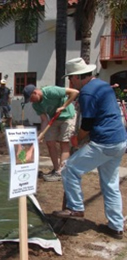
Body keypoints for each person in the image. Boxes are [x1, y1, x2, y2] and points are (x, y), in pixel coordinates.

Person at [52, 57, 127, 239]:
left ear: (78, 77)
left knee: (69, 168)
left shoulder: (87, 93)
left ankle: (76, 207)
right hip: (120, 141)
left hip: (104, 142)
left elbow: (87, 123)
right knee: (110, 184)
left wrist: (77, 139)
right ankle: (116, 226)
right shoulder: (102, 85)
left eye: (71, 78)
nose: (70, 81)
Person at [23, 84, 79, 181]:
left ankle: (62, 172)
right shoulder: (36, 105)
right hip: (55, 118)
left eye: (31, 98)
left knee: (64, 142)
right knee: (49, 142)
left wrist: (63, 106)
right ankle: (56, 169)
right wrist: (40, 135)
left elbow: (75, 92)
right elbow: (44, 120)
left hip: (68, 116)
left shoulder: (50, 91)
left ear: (35, 92)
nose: (31, 101)